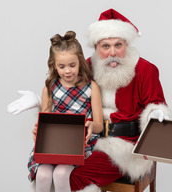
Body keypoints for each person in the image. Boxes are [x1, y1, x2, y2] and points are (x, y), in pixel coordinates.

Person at [7, 9, 171, 192]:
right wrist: (40, 101)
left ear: (127, 44)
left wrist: (158, 114)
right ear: (96, 47)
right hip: (87, 142)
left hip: (125, 145)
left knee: (71, 177)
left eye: (118, 45)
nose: (112, 53)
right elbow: (66, 97)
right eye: (105, 46)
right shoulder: (87, 67)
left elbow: (157, 104)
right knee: (51, 173)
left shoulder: (144, 69)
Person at [26, 30, 103, 192]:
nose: (67, 71)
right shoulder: (50, 88)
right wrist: (38, 130)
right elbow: (46, 121)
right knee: (43, 175)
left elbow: (99, 125)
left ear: (80, 62)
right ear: (54, 65)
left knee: (61, 174)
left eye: (72, 65)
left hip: (78, 144)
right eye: (61, 66)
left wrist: (91, 126)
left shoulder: (91, 88)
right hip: (54, 144)